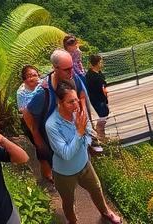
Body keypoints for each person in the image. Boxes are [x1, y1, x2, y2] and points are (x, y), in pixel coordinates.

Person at [45, 81, 122, 224]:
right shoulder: (52, 125)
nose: (75, 105)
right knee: (68, 201)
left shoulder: (78, 112)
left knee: (96, 189)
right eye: (70, 102)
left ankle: (106, 211)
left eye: (76, 100)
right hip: (64, 172)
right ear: (59, 103)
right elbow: (66, 154)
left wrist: (82, 137)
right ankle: (72, 221)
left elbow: (88, 133)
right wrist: (79, 134)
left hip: (84, 164)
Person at [24, 50, 100, 169]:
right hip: (55, 138)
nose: (71, 72)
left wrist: (83, 111)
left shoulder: (72, 77)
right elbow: (27, 113)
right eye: (66, 69)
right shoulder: (44, 91)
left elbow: (81, 94)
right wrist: (37, 138)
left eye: (71, 67)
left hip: (75, 133)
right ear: (55, 68)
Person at [16, 66, 53, 184]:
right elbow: (26, 113)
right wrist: (34, 132)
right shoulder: (21, 92)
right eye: (29, 76)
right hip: (31, 123)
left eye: (35, 75)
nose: (33, 78)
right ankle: (47, 174)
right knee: (40, 146)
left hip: (45, 118)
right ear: (24, 79)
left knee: (50, 144)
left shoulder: (43, 85)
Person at [84, 54, 109, 142]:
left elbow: (103, 82)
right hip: (96, 99)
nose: (101, 64)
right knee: (102, 116)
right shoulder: (90, 76)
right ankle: (101, 136)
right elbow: (92, 89)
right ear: (96, 63)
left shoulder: (99, 72)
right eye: (100, 62)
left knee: (105, 114)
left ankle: (102, 135)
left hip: (102, 98)